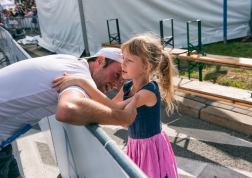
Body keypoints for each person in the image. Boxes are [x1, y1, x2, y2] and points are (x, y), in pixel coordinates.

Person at [52, 32, 179, 178]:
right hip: (135, 143)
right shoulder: (128, 86)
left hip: (150, 148)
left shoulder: (148, 92)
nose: (123, 64)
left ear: (146, 67)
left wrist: (82, 83)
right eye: (123, 58)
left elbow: (117, 109)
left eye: (129, 60)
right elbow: (111, 105)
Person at [0, 47, 139, 178]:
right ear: (100, 61)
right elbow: (68, 109)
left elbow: (106, 103)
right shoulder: (78, 76)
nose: (116, 85)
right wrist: (123, 118)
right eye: (116, 75)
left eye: (121, 83)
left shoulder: (72, 62)